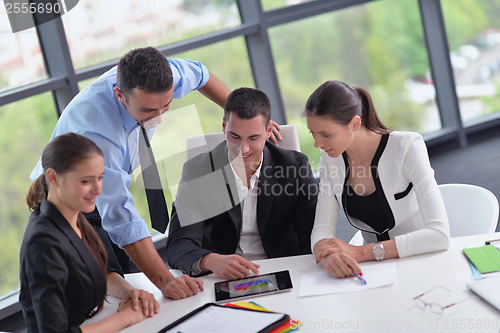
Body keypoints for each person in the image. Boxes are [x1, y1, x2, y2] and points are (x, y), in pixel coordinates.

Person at [166, 87, 318, 279]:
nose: (242, 149)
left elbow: (313, 236)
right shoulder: (198, 171)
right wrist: (210, 260)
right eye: (234, 136)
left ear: (268, 130)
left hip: (285, 271)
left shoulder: (295, 167)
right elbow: (179, 244)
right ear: (223, 126)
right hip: (221, 277)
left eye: (253, 138)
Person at [305, 80, 450, 279]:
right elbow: (321, 228)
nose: (317, 143)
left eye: (325, 134)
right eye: (312, 133)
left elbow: (439, 235)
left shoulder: (406, 146)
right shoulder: (330, 159)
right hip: (375, 274)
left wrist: (360, 252)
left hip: (422, 263)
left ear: (354, 123)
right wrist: (327, 254)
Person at [20, 133, 159, 333]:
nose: (97, 190)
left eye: (100, 178)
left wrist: (132, 294)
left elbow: (103, 271)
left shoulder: (75, 216)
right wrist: (126, 317)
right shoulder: (42, 243)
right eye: (86, 181)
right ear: (53, 177)